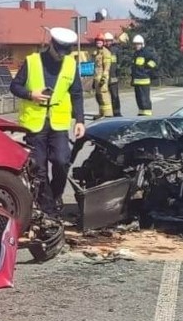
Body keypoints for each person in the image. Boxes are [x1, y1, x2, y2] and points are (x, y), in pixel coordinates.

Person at [9, 27, 85, 216]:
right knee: (38, 168)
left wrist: (80, 120)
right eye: (59, 51)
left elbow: (76, 94)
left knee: (61, 161)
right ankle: (47, 210)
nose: (61, 56)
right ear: (51, 44)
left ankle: (55, 195)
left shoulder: (70, 64)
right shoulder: (32, 61)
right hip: (35, 123)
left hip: (58, 122)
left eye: (64, 52)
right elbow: (14, 86)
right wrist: (30, 94)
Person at [131, 34, 158, 116]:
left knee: (144, 99)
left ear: (142, 44)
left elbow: (155, 61)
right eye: (135, 44)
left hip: (144, 80)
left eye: (138, 44)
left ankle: (147, 114)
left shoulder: (146, 52)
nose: (136, 45)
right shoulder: (136, 54)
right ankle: (141, 112)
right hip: (137, 81)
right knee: (139, 99)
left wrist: (146, 69)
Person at [93, 35, 113, 118]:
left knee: (104, 95)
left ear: (103, 43)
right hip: (97, 77)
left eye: (100, 42)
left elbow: (107, 67)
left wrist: (103, 78)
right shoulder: (97, 52)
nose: (98, 43)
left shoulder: (106, 52)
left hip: (102, 78)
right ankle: (101, 113)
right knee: (98, 96)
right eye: (97, 42)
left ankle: (108, 114)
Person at [105, 32, 123, 117]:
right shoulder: (103, 50)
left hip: (113, 76)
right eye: (106, 41)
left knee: (115, 95)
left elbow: (119, 63)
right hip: (105, 77)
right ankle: (107, 113)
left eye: (109, 41)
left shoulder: (116, 50)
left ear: (112, 41)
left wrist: (117, 74)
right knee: (105, 96)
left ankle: (117, 112)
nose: (108, 42)